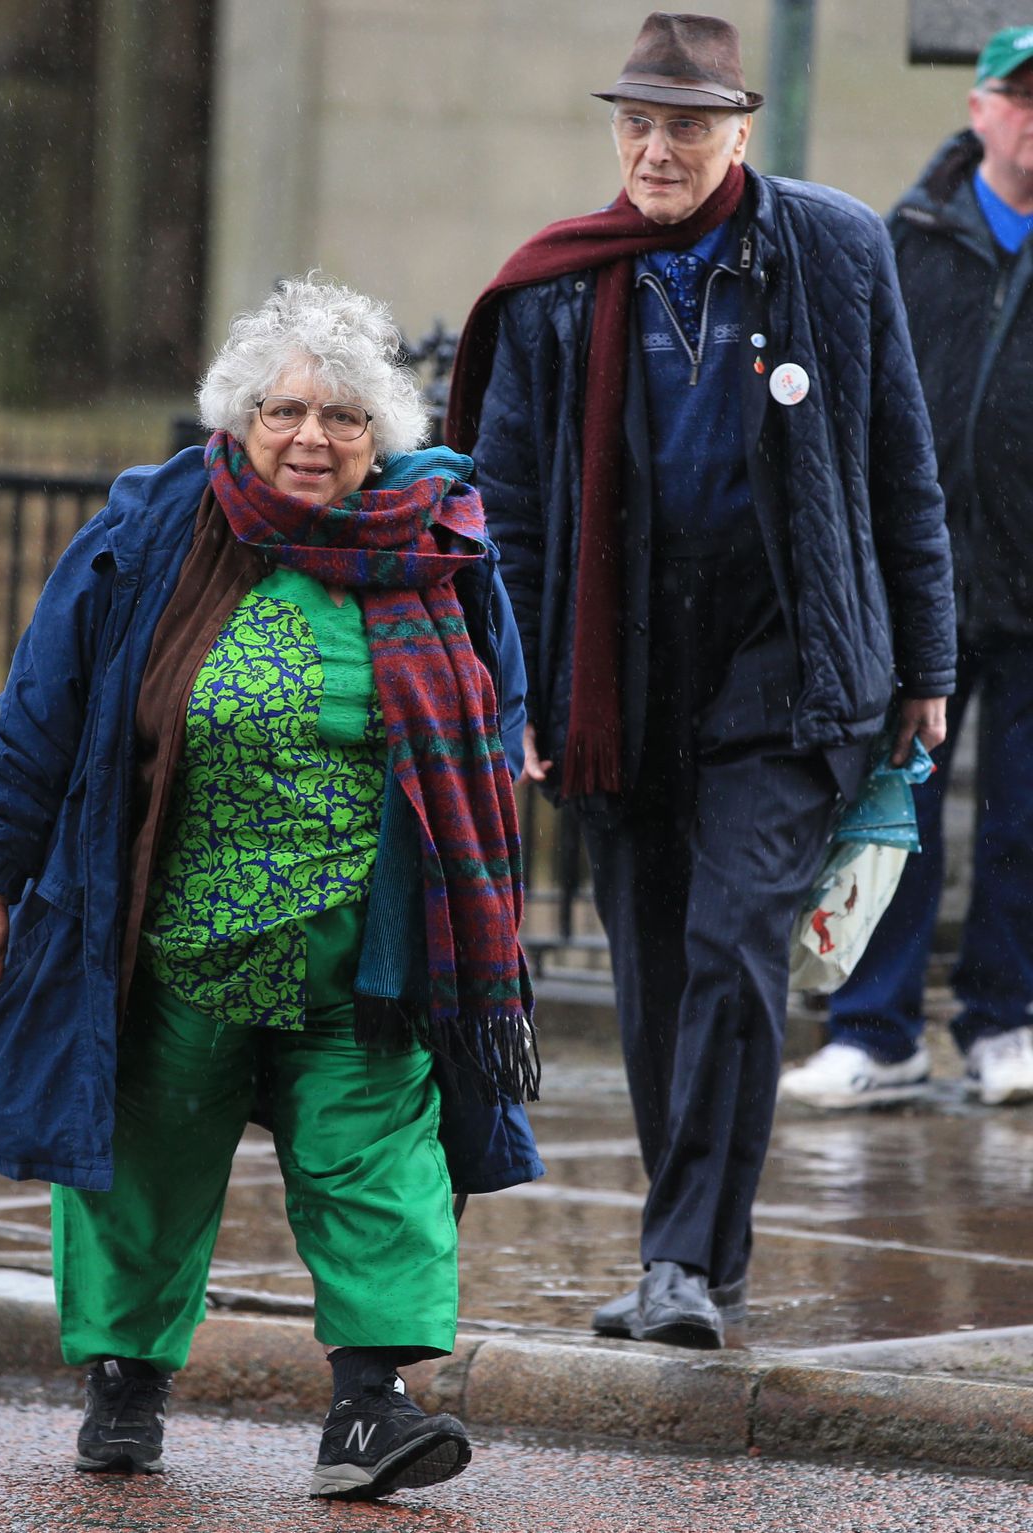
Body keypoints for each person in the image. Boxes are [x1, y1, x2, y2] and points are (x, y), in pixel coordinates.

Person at [0, 274, 542, 1500]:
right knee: (145, 1164)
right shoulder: (154, 529)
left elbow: (499, 717)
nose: (312, 439)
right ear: (237, 421)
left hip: (365, 957)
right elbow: (41, 716)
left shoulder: (442, 547)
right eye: (285, 413)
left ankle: (373, 1409)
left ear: (384, 437)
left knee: (378, 1164)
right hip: (175, 940)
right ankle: (125, 1387)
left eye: (344, 418)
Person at [445, 12, 955, 1350]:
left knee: (734, 951)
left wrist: (928, 662)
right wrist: (517, 696)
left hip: (788, 662)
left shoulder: (832, 247)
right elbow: (513, 518)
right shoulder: (562, 285)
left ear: (741, 127)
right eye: (637, 121)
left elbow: (897, 460)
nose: (656, 147)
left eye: (685, 123)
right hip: (619, 674)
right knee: (660, 976)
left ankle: (677, 1260)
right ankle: (700, 1261)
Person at [781, 27, 1033, 1113]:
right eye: (1021, 96)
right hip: (923, 588)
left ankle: (1008, 1020)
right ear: (979, 110)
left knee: (1027, 823)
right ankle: (875, 1030)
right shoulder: (907, 236)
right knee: (897, 814)